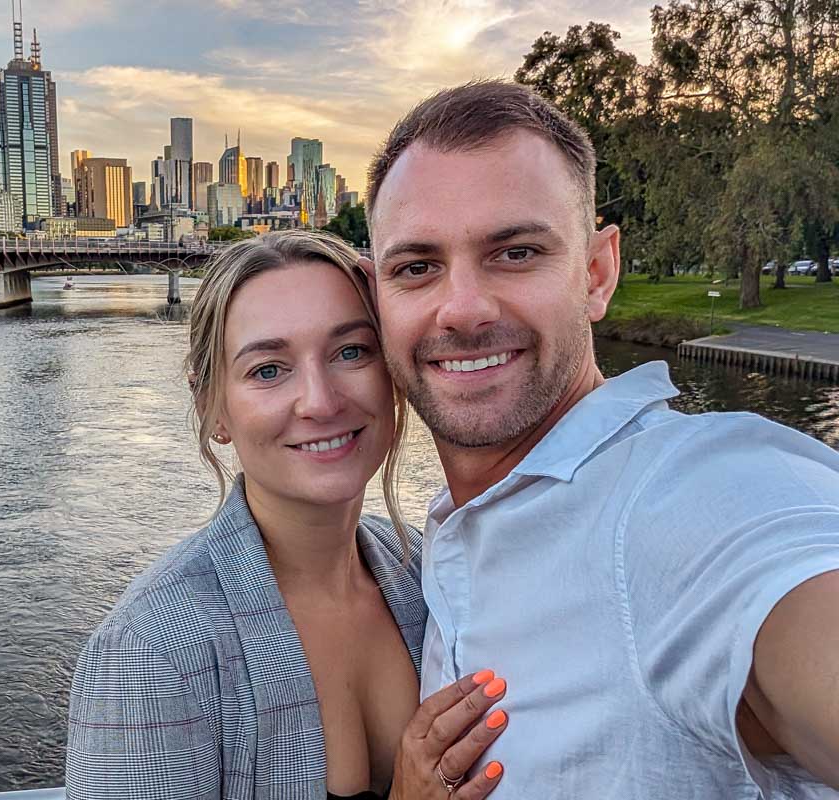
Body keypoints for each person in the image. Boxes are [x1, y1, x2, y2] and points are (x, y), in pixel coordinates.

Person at [360, 80, 839, 799]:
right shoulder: (450, 532)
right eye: (417, 267)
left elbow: (782, 567)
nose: (461, 309)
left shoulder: (688, 493)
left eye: (515, 252)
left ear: (597, 272)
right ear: (378, 295)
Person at [66, 230, 509, 799]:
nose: (321, 401)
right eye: (269, 370)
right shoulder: (149, 652)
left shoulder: (427, 573)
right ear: (214, 410)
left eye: (351, 352)